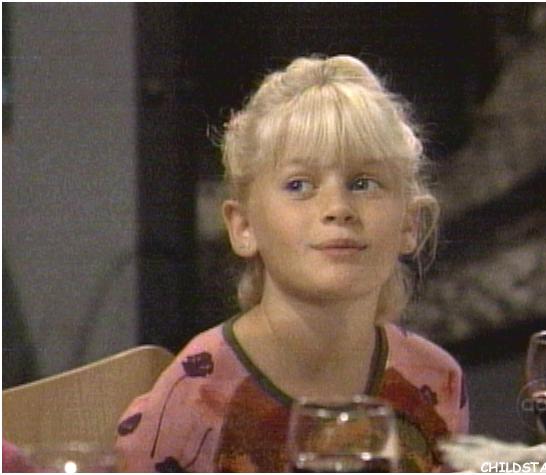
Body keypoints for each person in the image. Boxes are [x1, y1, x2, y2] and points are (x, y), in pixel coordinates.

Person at [115, 54, 468, 472]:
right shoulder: (193, 397)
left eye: (363, 183)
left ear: (409, 223)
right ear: (244, 226)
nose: (338, 208)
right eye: (299, 185)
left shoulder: (435, 380)